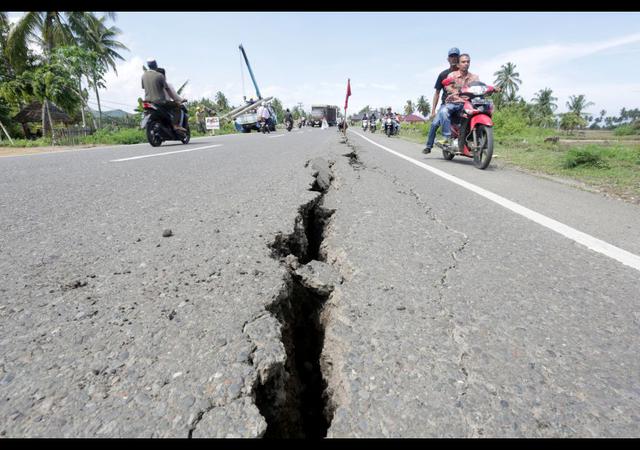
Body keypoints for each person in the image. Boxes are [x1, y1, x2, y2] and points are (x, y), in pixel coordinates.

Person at [437, 53, 479, 148]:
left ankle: (478, 137)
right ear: (458, 64)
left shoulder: (474, 77)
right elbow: (447, 86)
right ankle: (447, 138)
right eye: (463, 62)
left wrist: (492, 88)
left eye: (468, 62)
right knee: (443, 112)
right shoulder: (452, 75)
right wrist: (455, 91)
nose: (466, 63)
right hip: (455, 102)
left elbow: (479, 86)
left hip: (469, 103)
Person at [423, 47, 460, 154]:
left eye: (456, 56)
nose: (454, 58)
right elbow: (437, 93)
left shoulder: (463, 73)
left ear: (459, 58)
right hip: (446, 103)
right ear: (448, 59)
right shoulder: (443, 74)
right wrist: (433, 111)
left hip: (461, 103)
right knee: (434, 124)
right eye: (451, 56)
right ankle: (428, 146)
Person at [156, 68, 187, 132]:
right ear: (164, 75)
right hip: (164, 103)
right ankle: (176, 125)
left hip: (153, 103)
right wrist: (181, 99)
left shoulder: (153, 85)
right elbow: (174, 95)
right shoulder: (167, 84)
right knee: (177, 106)